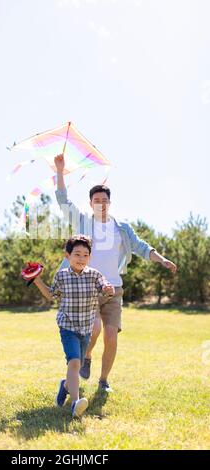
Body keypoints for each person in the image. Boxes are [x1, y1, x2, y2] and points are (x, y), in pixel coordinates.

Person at [54, 153, 177, 393]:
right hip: (86, 288)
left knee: (111, 335)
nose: (100, 203)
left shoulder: (122, 228)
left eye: (104, 200)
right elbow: (62, 200)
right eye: (96, 200)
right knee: (95, 329)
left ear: (109, 203)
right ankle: (86, 356)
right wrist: (60, 171)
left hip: (114, 288)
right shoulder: (82, 223)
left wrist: (161, 259)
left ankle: (103, 381)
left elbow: (141, 247)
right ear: (90, 203)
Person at [32, 235, 115, 418]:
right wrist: (37, 280)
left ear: (90, 257)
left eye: (86, 255)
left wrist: (109, 290)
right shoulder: (61, 275)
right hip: (68, 327)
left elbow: (105, 287)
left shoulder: (94, 275)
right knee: (75, 362)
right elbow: (51, 295)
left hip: (85, 329)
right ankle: (75, 403)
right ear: (67, 256)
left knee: (75, 367)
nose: (81, 258)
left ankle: (66, 386)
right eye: (77, 254)